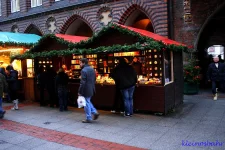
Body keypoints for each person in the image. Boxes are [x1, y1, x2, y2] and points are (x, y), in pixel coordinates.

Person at [78, 58, 99, 123]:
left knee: (86, 103)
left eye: (80, 63)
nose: (79, 64)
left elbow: (83, 83)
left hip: (85, 89)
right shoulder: (92, 69)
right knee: (88, 101)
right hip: (91, 88)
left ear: (84, 63)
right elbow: (95, 79)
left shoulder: (83, 70)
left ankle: (89, 118)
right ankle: (94, 112)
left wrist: (80, 91)